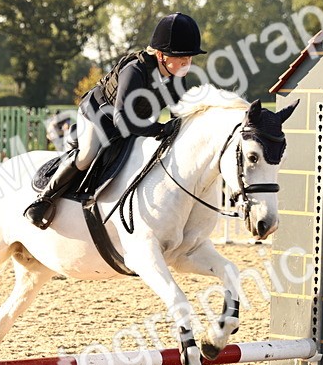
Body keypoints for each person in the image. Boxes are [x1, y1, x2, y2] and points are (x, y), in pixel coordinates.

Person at [24, 12, 207, 229]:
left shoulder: (176, 76)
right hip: (99, 115)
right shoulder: (135, 71)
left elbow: (180, 111)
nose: (187, 62)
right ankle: (44, 200)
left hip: (134, 120)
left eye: (189, 57)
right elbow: (122, 121)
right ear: (160, 55)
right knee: (86, 156)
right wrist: (159, 129)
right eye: (181, 58)